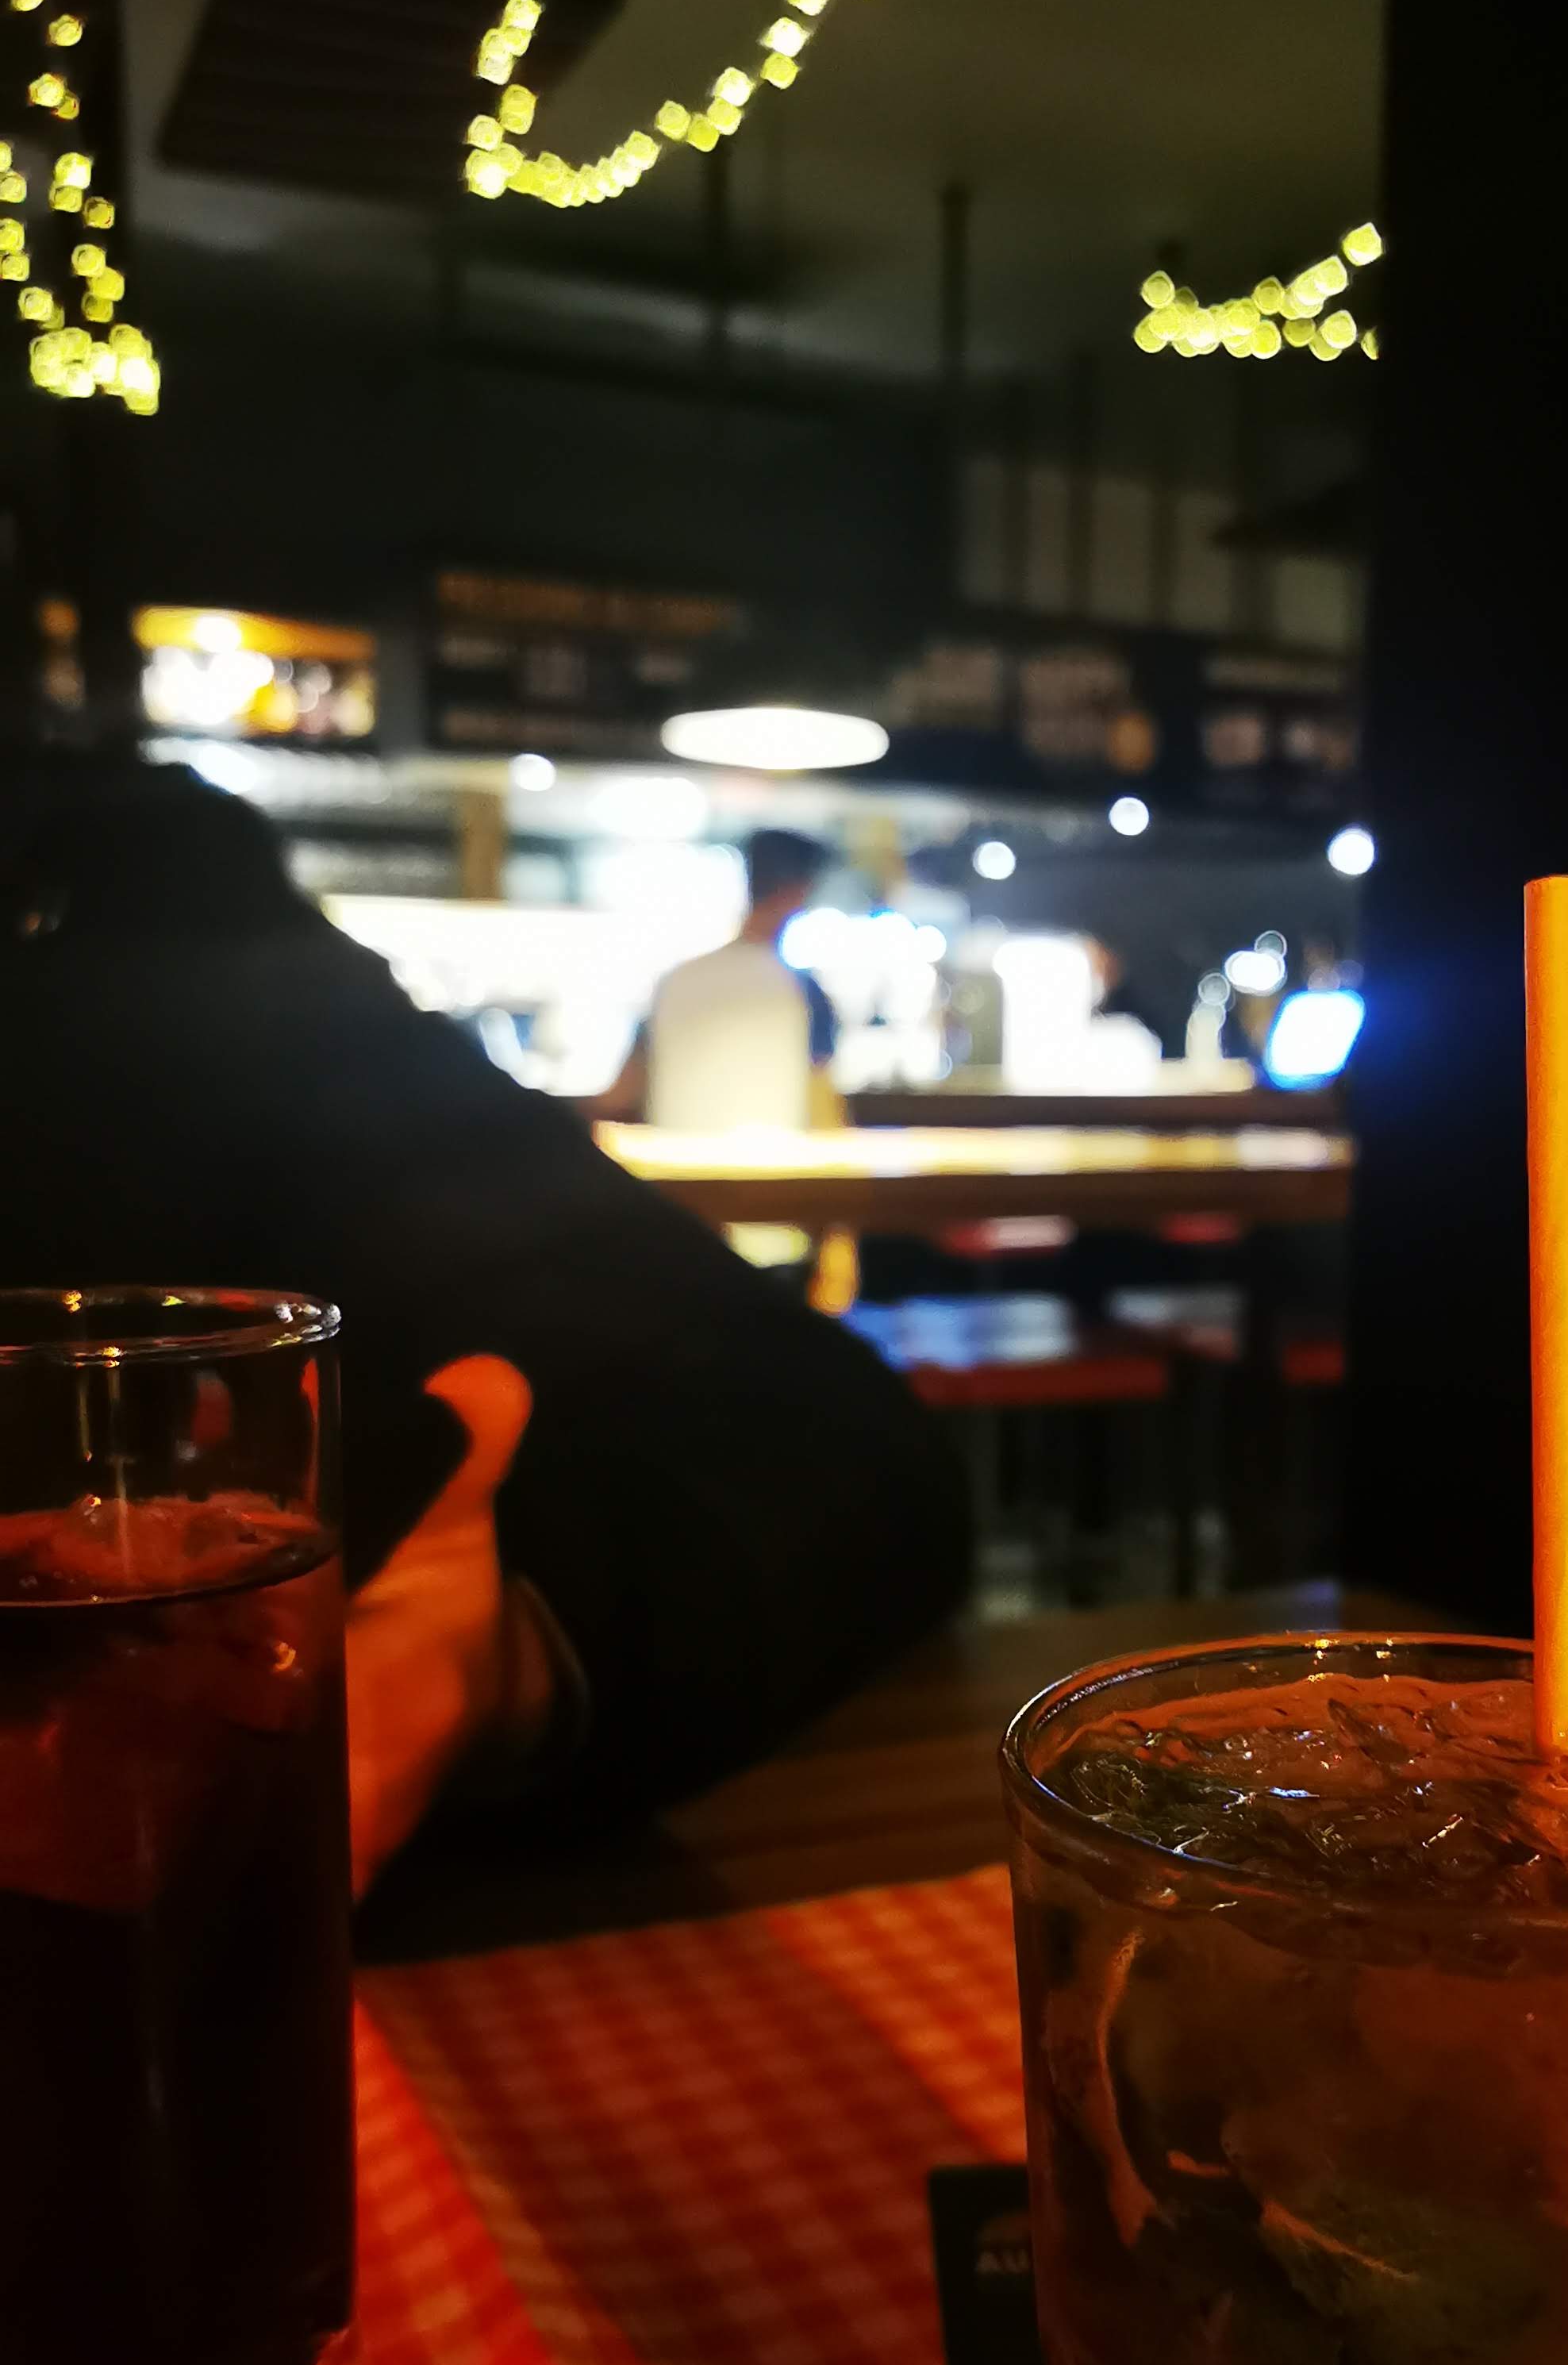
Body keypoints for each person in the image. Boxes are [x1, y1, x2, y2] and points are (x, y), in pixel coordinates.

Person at [0, 752, 972, 1900]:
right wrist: (489, 1657)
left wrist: (463, 1654)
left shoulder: (191, 1003)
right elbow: (878, 1455)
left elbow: (862, 1458)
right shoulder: (300, 1002)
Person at [644, 825, 837, 1126]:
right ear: (799, 891)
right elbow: (823, 1111)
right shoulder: (801, 990)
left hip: (672, 1156)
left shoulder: (678, 980)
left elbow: (625, 1091)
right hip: (772, 1156)